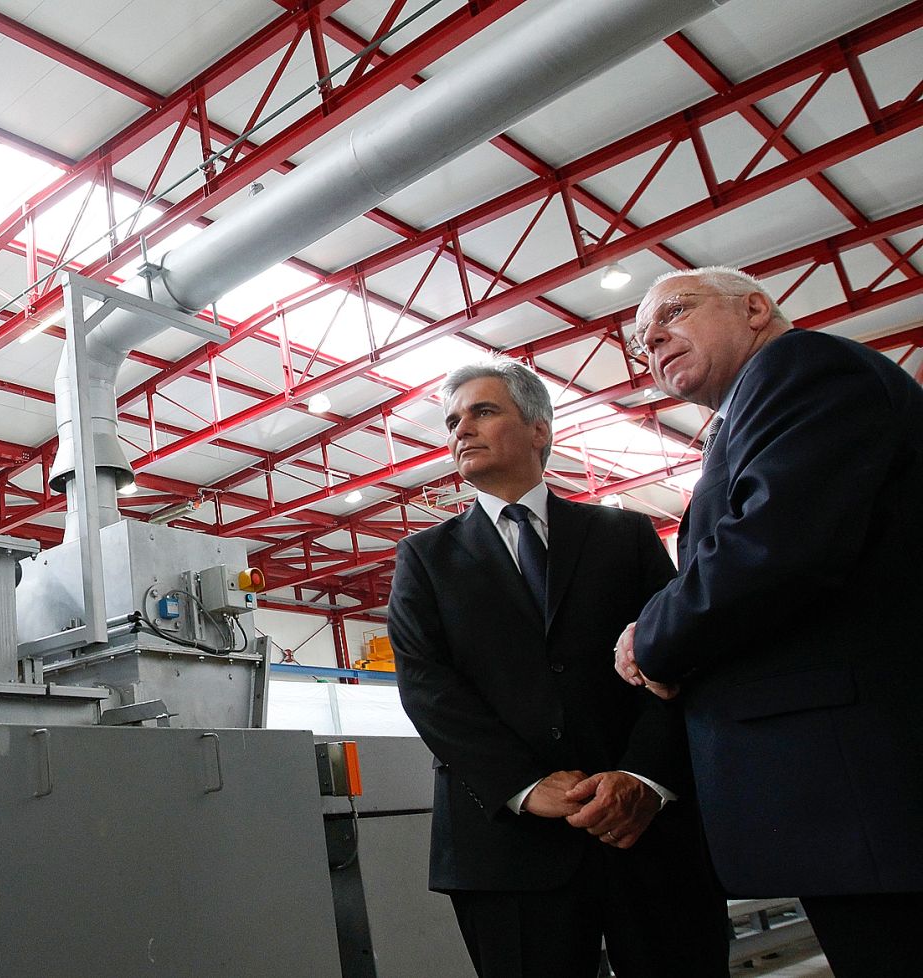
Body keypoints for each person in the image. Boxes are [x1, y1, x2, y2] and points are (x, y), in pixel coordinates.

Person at [618, 266, 923, 977]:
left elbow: (774, 546)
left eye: (674, 312)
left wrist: (651, 639)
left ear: (755, 308)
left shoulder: (799, 367)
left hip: (867, 788)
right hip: (860, 796)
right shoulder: (761, 404)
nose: (653, 338)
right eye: (640, 339)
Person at [389, 358, 724, 978]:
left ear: (539, 429)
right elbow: (428, 688)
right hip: (508, 843)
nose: (462, 429)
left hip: (643, 827)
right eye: (452, 420)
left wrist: (644, 778)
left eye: (483, 411)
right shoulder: (425, 558)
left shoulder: (623, 535)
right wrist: (522, 784)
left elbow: (678, 658)